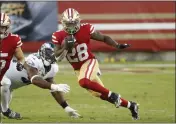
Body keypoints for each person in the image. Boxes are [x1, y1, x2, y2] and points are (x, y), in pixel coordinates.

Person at [52, 8, 139, 120]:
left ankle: (114, 95)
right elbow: (57, 56)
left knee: (83, 82)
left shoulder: (86, 28)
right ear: (63, 23)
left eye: (73, 23)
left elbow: (104, 38)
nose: (72, 27)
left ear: (78, 21)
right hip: (78, 69)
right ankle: (131, 105)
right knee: (101, 94)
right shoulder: (58, 35)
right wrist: (65, 47)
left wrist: (117, 45)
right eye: (69, 24)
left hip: (89, 62)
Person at [1, 42, 81, 119]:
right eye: (49, 52)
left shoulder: (53, 67)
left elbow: (53, 88)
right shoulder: (33, 59)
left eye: (53, 52)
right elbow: (34, 79)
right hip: (2, 76)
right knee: (5, 83)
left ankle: (4, 110)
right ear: (41, 52)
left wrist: (66, 107)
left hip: (9, 87)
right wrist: (54, 86)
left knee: (8, 89)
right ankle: (6, 111)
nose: (51, 55)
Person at [0, 13, 25, 85]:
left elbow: (21, 58)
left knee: (6, 83)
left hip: (2, 76)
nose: (0, 30)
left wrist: (20, 64)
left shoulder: (13, 39)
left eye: (2, 27)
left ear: (7, 27)